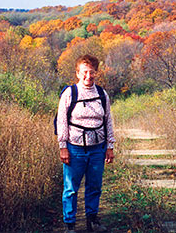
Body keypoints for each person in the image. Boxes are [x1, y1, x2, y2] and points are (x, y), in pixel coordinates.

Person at [56, 54, 115, 233]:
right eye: (84, 72)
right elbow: (61, 121)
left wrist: (110, 146)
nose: (88, 76)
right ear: (77, 73)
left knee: (94, 186)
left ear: (96, 73)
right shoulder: (70, 93)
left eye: (91, 72)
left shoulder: (102, 94)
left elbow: (108, 120)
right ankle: (70, 224)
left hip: (98, 149)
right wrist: (63, 147)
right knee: (71, 189)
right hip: (74, 149)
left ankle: (92, 221)